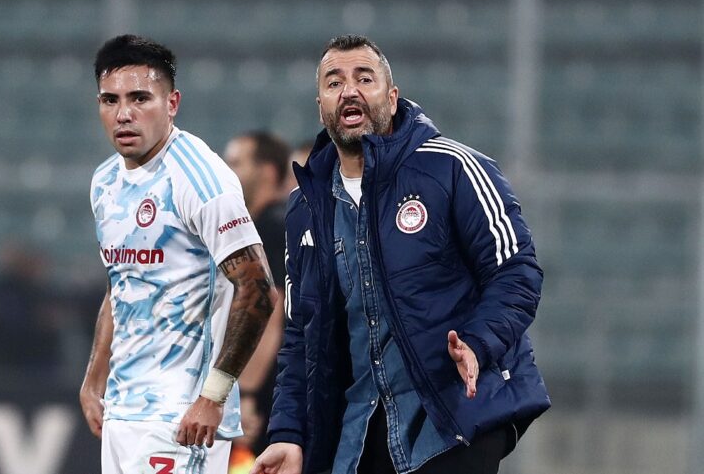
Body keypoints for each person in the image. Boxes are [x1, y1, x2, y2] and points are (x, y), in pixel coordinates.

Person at [253, 35, 550, 474]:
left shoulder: (453, 168)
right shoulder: (304, 209)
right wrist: (288, 434)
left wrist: (478, 343)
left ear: (391, 99)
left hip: (452, 414)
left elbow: (516, 271)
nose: (349, 91)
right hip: (358, 429)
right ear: (321, 107)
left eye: (364, 78)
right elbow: (301, 336)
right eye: (334, 82)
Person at [79, 35, 278, 474]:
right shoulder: (105, 182)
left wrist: (214, 396)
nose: (124, 114)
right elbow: (122, 283)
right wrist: (94, 377)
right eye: (110, 100)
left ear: (172, 104)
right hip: (123, 412)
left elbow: (258, 289)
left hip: (182, 419)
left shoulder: (201, 179)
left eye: (140, 98)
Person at [223, 131, 290, 455]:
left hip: (269, 388)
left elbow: (268, 313)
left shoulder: (270, 229)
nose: (226, 171)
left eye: (236, 163)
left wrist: (246, 394)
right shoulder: (279, 222)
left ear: (267, 172)